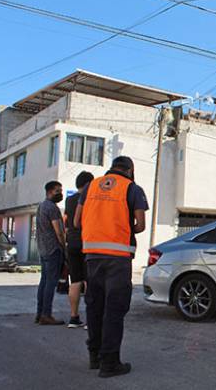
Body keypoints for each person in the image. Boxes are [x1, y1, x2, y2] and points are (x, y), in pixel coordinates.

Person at [74, 156, 148, 378]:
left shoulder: (90, 186)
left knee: (94, 307)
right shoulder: (132, 189)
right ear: (130, 169)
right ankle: (110, 363)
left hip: (92, 257)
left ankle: (94, 356)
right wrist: (120, 229)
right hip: (118, 259)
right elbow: (141, 225)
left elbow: (77, 222)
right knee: (114, 310)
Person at [64, 171, 94, 328]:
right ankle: (91, 319)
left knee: (75, 281)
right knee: (89, 281)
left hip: (72, 243)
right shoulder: (89, 199)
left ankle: (73, 317)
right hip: (85, 242)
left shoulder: (69, 200)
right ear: (89, 184)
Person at [35, 181, 66, 326]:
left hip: (43, 249)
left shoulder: (41, 206)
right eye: (57, 191)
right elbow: (58, 231)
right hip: (53, 249)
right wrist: (63, 246)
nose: (60, 193)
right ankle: (46, 315)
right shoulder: (52, 208)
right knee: (50, 283)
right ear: (49, 192)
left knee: (44, 281)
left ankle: (39, 313)